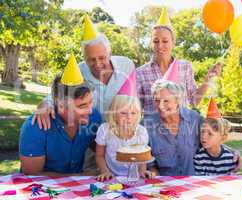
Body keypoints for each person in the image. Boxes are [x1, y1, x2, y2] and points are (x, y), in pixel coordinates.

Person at [31, 15, 135, 171]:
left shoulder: (126, 65)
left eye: (102, 57)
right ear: (84, 58)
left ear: (110, 52)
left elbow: (131, 101)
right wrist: (45, 103)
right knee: (93, 181)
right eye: (91, 59)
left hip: (121, 135)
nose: (98, 64)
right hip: (91, 138)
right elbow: (60, 93)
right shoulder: (79, 70)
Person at [19, 55, 102, 175]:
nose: (90, 110)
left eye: (91, 102)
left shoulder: (94, 117)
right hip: (42, 191)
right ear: (62, 106)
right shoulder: (35, 127)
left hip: (78, 190)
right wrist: (79, 177)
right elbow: (32, 175)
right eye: (82, 106)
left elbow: (102, 149)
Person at [137, 8, 221, 114]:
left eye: (165, 41)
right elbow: (136, 107)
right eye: (155, 41)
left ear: (173, 43)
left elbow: (194, 101)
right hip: (153, 129)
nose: (160, 45)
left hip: (182, 127)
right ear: (151, 44)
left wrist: (207, 81)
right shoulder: (140, 72)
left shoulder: (185, 67)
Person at [143, 79, 204, 176]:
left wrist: (233, 153)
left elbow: (213, 140)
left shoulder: (194, 119)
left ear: (177, 101)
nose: (160, 106)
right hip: (164, 185)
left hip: (193, 182)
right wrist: (152, 173)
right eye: (157, 100)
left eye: (166, 101)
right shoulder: (146, 126)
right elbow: (150, 165)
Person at [95, 95, 153, 181]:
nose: (129, 117)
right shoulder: (105, 129)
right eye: (123, 113)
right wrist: (105, 171)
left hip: (134, 177)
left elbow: (142, 157)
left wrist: (142, 170)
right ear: (114, 113)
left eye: (133, 113)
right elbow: (99, 155)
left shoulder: (141, 131)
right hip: (111, 176)